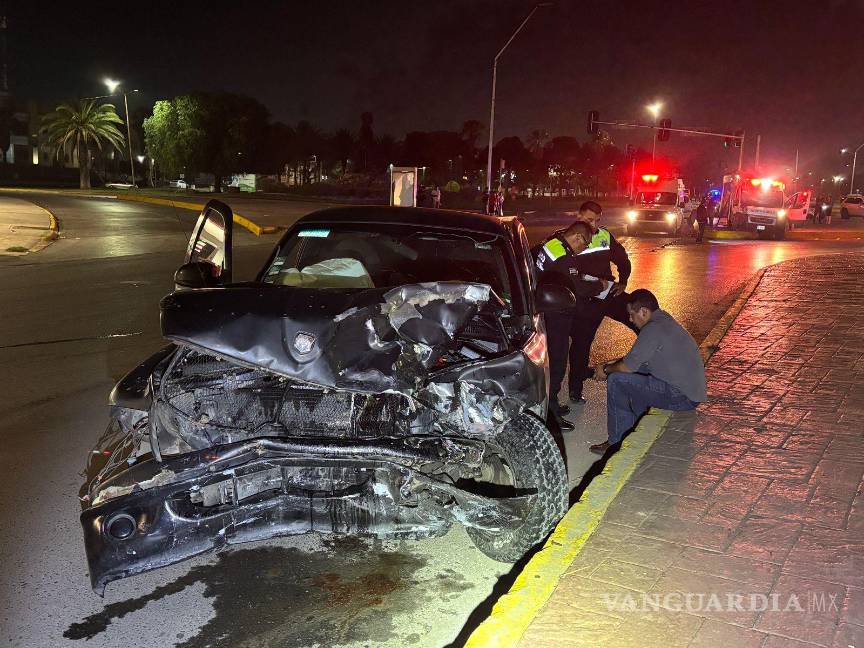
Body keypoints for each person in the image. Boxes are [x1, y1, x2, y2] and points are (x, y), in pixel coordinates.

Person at [589, 289, 706, 454]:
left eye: (631, 314)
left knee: (617, 380)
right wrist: (614, 363)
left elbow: (627, 366)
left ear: (643, 312)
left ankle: (617, 442)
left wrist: (606, 370)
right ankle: (636, 431)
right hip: (690, 392)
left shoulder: (652, 329)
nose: (630, 319)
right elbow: (637, 359)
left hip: (680, 396)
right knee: (634, 375)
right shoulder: (664, 320)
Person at [532, 220, 607, 430]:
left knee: (552, 362)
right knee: (556, 363)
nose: (585, 248)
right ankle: (550, 415)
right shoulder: (564, 255)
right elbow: (575, 286)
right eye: (585, 243)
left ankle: (552, 403)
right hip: (555, 314)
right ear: (577, 237)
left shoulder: (553, 244)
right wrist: (598, 285)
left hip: (546, 309)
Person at [568, 201, 633, 405]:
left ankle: (654, 364)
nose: (594, 225)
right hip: (586, 298)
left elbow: (623, 259)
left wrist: (623, 281)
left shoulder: (604, 236)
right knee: (582, 343)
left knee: (639, 314)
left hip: (608, 292)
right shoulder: (569, 237)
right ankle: (575, 390)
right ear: (578, 217)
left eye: (597, 220)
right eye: (589, 220)